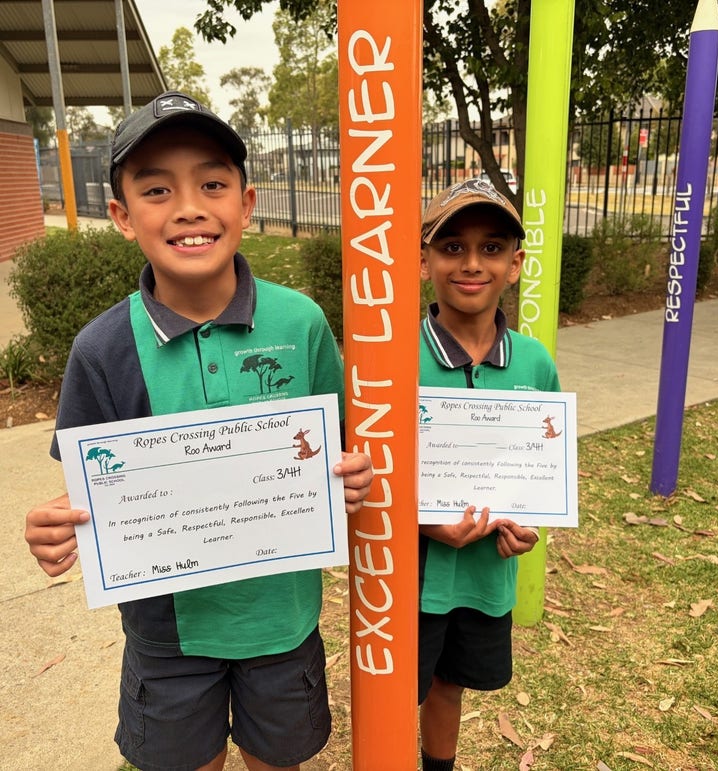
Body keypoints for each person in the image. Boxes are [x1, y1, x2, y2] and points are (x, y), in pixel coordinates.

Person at [24, 91, 372, 771]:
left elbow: (337, 448)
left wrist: (347, 477)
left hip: (279, 620)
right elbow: (90, 495)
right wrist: (58, 526)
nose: (188, 206)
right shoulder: (101, 350)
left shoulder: (299, 324)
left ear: (245, 203)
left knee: (278, 758)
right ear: (122, 216)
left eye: (212, 183)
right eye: (157, 189)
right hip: (166, 636)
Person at [417, 178, 561, 771]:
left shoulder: (534, 363)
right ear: (423, 259)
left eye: (492, 247)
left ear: (515, 263)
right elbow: (362, 477)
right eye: (452, 247)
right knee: (396, 687)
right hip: (411, 576)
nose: (472, 263)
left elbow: (537, 475)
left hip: (483, 579)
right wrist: (425, 525)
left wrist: (526, 527)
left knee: (450, 685)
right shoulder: (391, 358)